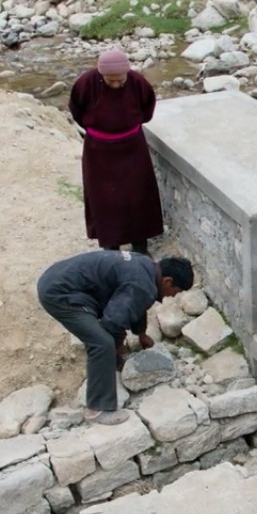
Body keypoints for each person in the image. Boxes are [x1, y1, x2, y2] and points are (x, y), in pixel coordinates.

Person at [37, 250, 194, 425]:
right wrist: (117, 351)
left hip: (59, 276)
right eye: (175, 291)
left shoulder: (146, 266)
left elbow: (136, 302)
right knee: (102, 343)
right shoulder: (143, 285)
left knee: (107, 338)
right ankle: (98, 409)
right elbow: (112, 323)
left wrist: (141, 334)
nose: (172, 296)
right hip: (60, 294)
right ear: (167, 281)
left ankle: (104, 369)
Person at [68, 48, 164, 257]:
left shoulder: (137, 82)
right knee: (104, 198)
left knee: (138, 195)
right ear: (102, 75)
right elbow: (76, 109)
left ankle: (140, 246)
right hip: (98, 152)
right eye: (111, 80)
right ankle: (111, 246)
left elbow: (147, 109)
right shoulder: (87, 83)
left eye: (120, 79)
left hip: (132, 148)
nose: (117, 84)